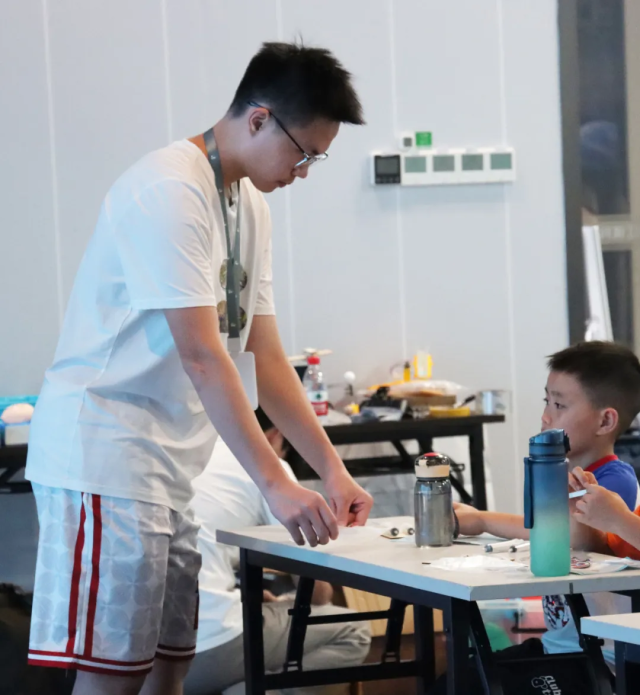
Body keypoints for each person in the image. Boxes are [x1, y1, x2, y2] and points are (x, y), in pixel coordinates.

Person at [24, 41, 373, 695]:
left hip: (172, 467)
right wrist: (274, 484)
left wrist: (331, 469)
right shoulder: (170, 189)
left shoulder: (249, 205)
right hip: (106, 457)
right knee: (114, 676)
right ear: (260, 118)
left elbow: (264, 356)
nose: (303, 172)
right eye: (303, 153)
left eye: (316, 160)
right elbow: (203, 355)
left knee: (171, 665)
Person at [455, 341, 640, 660]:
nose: (545, 416)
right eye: (547, 401)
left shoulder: (613, 482)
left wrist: (483, 520)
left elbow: (562, 536)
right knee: (465, 674)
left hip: (598, 657)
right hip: (562, 646)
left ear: (605, 422)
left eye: (559, 405)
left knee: (474, 678)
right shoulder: (560, 475)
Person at [185, 409, 371, 695]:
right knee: (352, 630)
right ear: (276, 435)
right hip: (207, 647)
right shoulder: (269, 469)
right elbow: (316, 592)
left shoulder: (179, 454)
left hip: (135, 658)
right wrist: (287, 598)